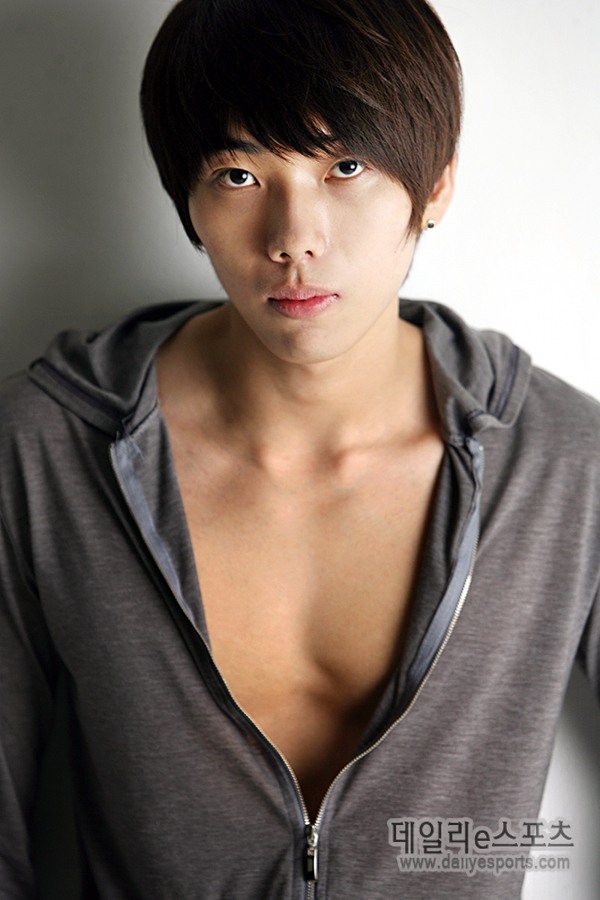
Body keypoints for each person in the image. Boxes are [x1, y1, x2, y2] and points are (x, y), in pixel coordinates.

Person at [0, 0, 598, 898]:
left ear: (435, 184)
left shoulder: (566, 466)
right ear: (187, 199)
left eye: (345, 166)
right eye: (238, 174)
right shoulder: (42, 451)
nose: (294, 240)